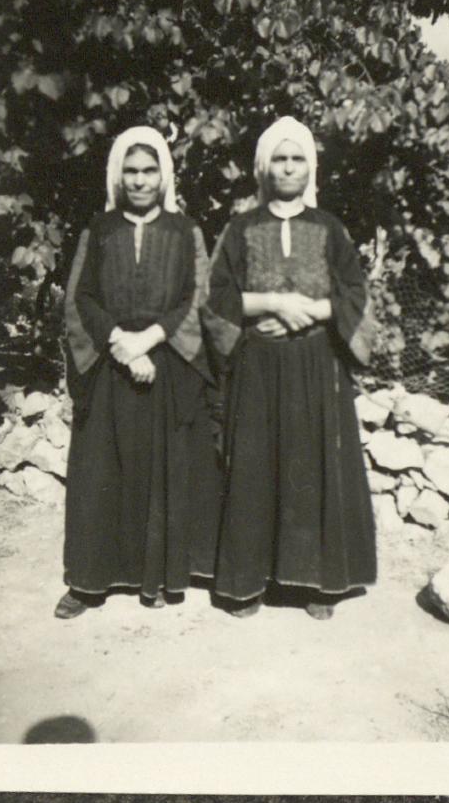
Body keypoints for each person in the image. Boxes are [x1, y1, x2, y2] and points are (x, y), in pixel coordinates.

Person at [203, 116, 378, 620]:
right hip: (256, 366)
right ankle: (246, 583)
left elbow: (356, 296)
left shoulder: (330, 229)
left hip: (316, 368)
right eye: (278, 158)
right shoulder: (240, 229)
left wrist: (311, 309)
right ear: (262, 167)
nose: (287, 167)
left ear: (310, 166)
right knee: (255, 468)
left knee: (311, 467)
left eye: (297, 158)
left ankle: (315, 584)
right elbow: (215, 299)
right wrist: (271, 305)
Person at [56, 126, 221, 618]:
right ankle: (89, 582)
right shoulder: (99, 229)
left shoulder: (185, 230)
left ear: (164, 176)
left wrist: (150, 339)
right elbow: (78, 297)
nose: (140, 180)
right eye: (130, 170)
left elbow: (200, 298)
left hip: (167, 365)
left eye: (149, 171)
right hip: (110, 366)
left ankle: (169, 573)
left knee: (168, 468)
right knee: (99, 472)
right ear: (117, 175)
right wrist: (121, 344)